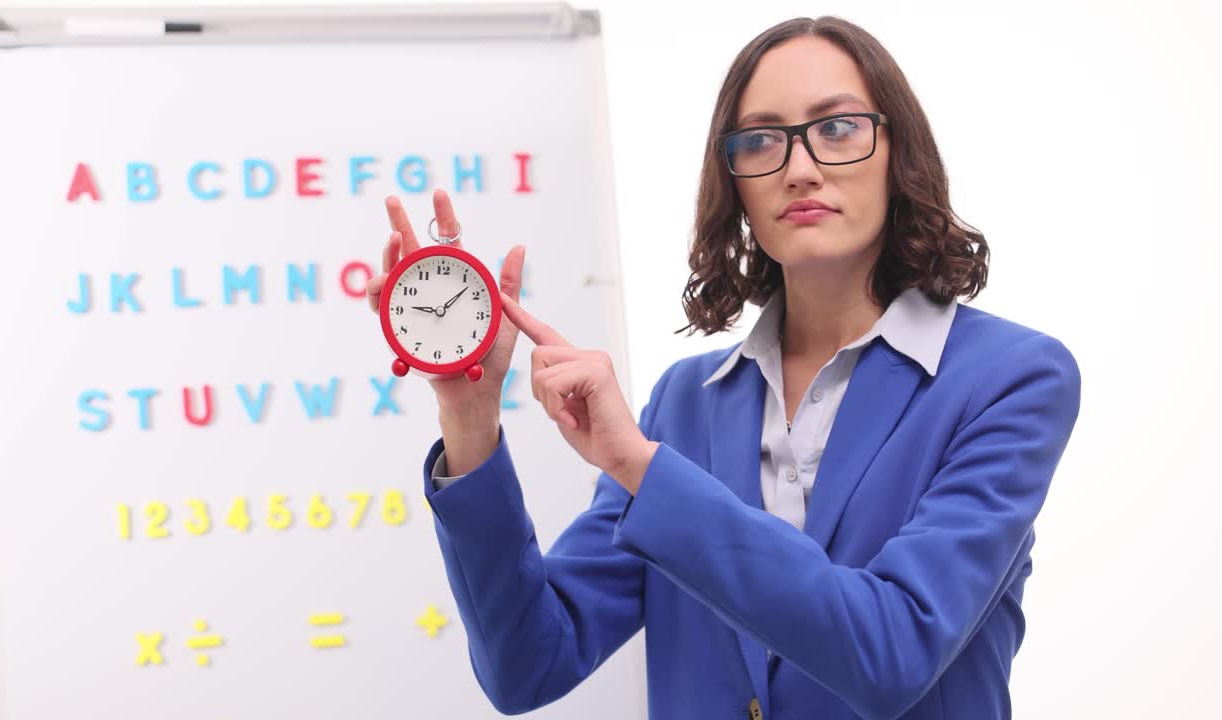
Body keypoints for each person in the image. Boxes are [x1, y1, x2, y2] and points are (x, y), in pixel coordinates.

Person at [366, 15, 1080, 720]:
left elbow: (892, 651)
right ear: (733, 180)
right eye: (763, 140)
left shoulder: (1010, 379)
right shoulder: (686, 403)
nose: (799, 169)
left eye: (837, 128)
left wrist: (644, 468)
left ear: (900, 154)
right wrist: (470, 414)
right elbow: (527, 664)